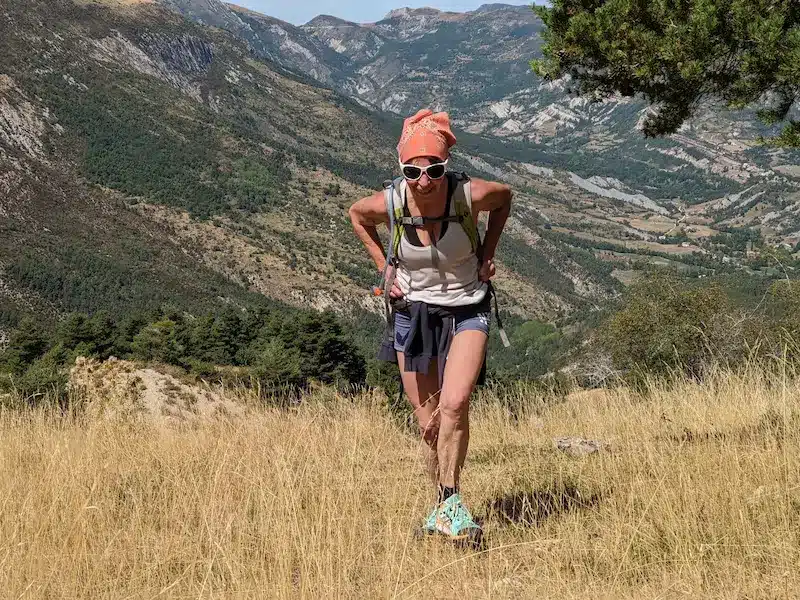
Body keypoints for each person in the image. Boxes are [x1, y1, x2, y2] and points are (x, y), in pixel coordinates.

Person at [348, 109, 513, 542]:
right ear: (401, 169)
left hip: (467, 307)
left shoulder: (468, 195)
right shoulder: (391, 203)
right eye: (412, 171)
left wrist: (488, 251)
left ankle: (450, 503)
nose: (424, 180)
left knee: (455, 404)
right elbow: (355, 215)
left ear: (446, 167)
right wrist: (385, 268)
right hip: (413, 313)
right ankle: (443, 508)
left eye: (435, 169)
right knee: (430, 426)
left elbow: (505, 197)